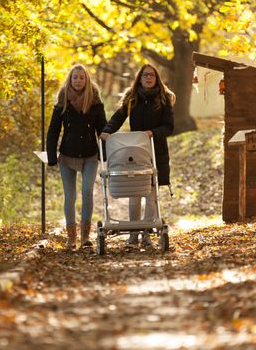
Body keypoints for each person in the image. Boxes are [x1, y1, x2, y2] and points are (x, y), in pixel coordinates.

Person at [100, 64, 175, 247]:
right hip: (134, 152)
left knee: (150, 195)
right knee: (134, 191)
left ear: (156, 78)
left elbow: (169, 127)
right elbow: (118, 118)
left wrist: (152, 132)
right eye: (145, 75)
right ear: (139, 78)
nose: (148, 78)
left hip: (155, 151)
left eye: (152, 75)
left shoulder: (164, 99)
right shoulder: (132, 99)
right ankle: (133, 234)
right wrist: (106, 132)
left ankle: (146, 233)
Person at [47, 64, 107, 250]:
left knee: (87, 192)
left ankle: (85, 237)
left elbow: (103, 130)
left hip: (90, 154)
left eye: (82, 77)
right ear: (70, 80)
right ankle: (71, 238)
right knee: (70, 196)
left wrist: (105, 154)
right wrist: (51, 156)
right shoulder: (62, 102)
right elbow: (53, 131)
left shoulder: (95, 102)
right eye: (75, 77)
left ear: (87, 79)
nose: (78, 80)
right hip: (67, 155)